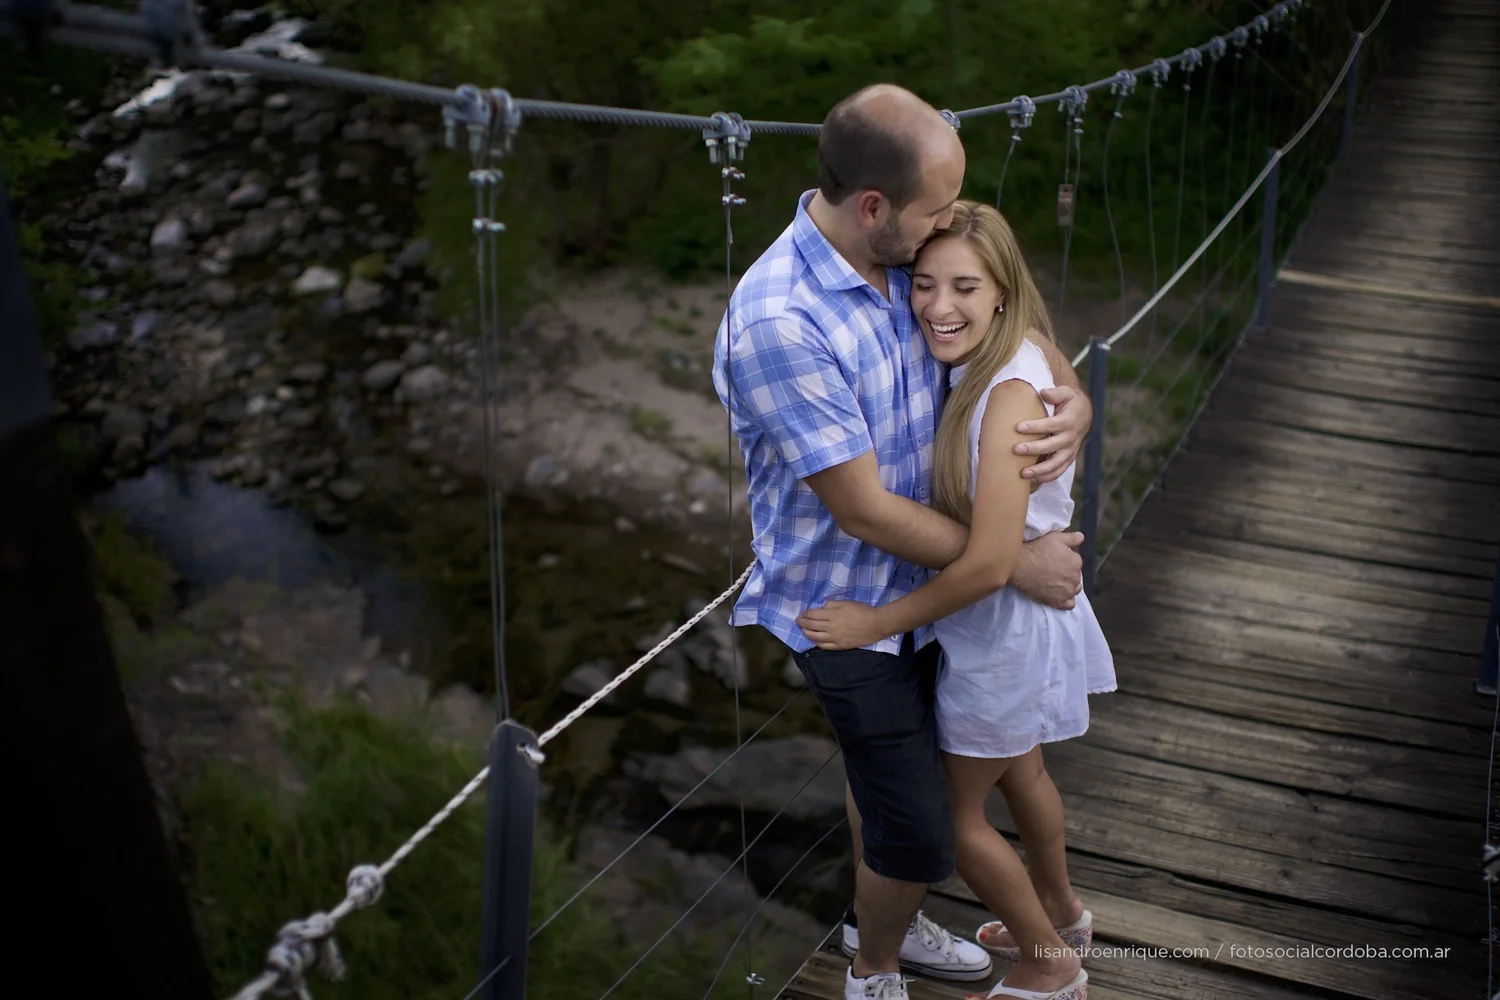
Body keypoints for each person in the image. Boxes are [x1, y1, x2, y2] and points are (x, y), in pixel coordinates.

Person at [713, 85, 1094, 1000]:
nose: (941, 233)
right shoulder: (779, 320)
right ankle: (874, 972)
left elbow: (1013, 318)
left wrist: (1074, 401)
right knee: (921, 831)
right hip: (857, 608)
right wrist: (1008, 556)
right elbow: (866, 512)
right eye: (931, 215)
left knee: (895, 800)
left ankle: (893, 927)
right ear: (875, 206)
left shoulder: (908, 255)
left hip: (952, 598)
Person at [798, 201, 1115, 1000]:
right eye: (925, 284)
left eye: (966, 288)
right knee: (1024, 774)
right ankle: (1066, 912)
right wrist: (1080, 397)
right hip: (1023, 624)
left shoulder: (1005, 397)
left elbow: (985, 565)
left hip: (998, 628)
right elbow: (1050, 356)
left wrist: (876, 621)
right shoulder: (1019, 351)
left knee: (952, 813)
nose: (941, 307)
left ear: (1003, 290)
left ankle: (1049, 963)